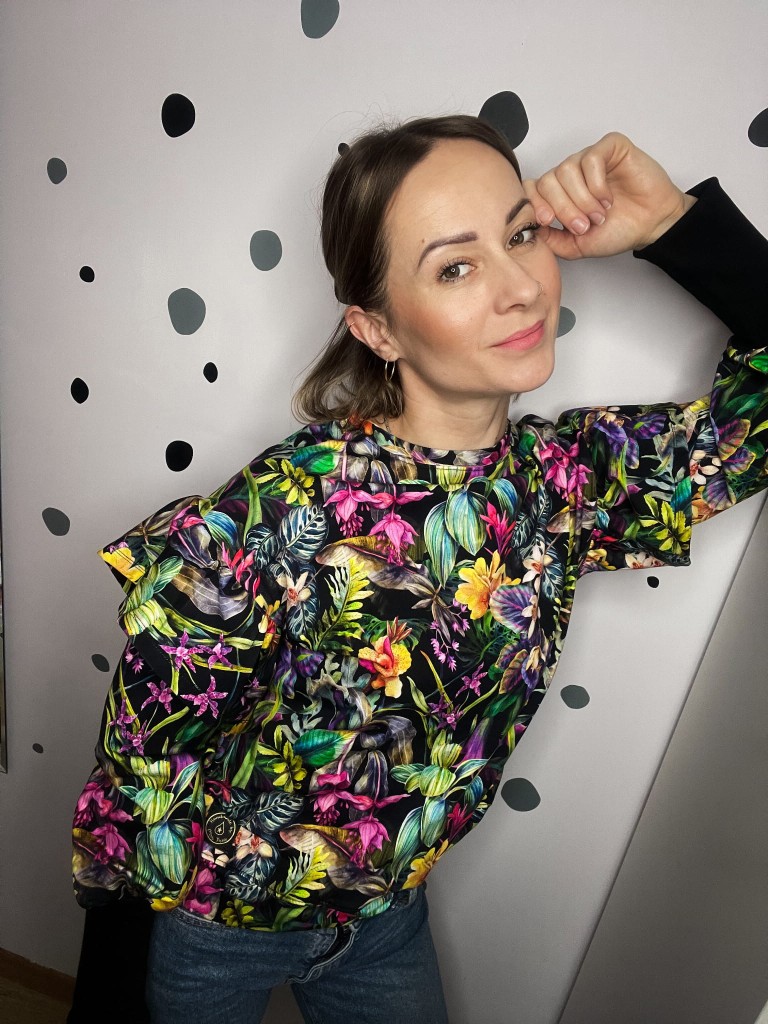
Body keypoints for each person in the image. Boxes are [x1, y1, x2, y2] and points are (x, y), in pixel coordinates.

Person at [69, 114, 768, 1024]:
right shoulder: (286, 505)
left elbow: (753, 425)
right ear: (378, 328)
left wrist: (676, 226)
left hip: (386, 921)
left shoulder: (563, 484)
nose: (522, 287)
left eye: (522, 234)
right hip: (215, 929)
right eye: (455, 268)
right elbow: (143, 753)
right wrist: (132, 933)